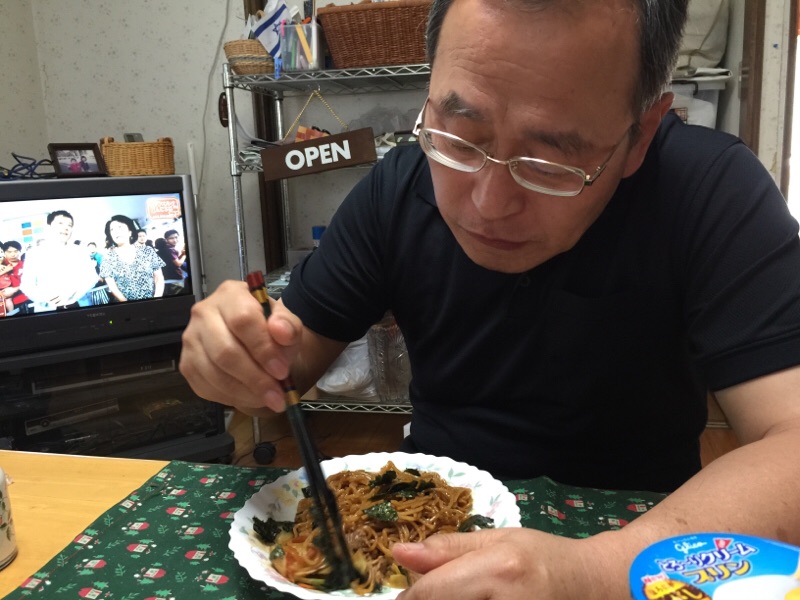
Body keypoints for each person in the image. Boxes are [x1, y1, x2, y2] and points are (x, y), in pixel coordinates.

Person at [179, 0, 800, 597]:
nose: (488, 204)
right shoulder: (398, 189)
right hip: (429, 527)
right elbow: (288, 358)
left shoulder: (709, 191)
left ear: (641, 135)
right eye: (459, 135)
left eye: (550, 160)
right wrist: (238, 353)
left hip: (646, 545)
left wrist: (597, 572)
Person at [20, 210, 99, 310]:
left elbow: (92, 277)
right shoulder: (34, 253)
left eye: (69, 225)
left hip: (80, 305)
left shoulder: (80, 251)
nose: (66, 228)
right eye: (60, 223)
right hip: (48, 309)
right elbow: (26, 285)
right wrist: (45, 298)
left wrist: (73, 293)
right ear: (49, 227)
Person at [99, 215, 165, 301]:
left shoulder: (147, 251)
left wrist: (156, 299)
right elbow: (112, 285)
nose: (116, 231)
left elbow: (158, 277)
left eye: (119, 227)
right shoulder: (108, 257)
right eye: (112, 229)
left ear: (130, 231)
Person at [0, 241, 32, 315]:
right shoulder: (1, 265)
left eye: (16, 251)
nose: (13, 254)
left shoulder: (26, 265)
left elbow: (34, 283)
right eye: (9, 252)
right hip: (4, 305)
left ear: (20, 251)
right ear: (4, 252)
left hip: (25, 301)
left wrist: (15, 289)